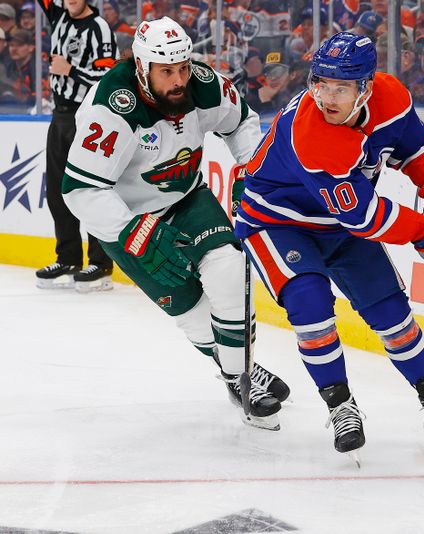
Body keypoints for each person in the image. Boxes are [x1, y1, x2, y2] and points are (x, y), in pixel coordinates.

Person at [235, 31, 424, 460]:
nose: (326, 97)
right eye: (319, 83)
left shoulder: (392, 98)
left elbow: (414, 149)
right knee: (310, 304)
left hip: (338, 223)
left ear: (366, 87)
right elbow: (365, 217)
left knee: (390, 311)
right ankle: (341, 405)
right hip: (276, 221)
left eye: (340, 88)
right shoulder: (311, 133)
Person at [61, 17, 291, 429]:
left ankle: (241, 376)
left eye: (183, 67)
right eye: (166, 71)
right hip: (128, 220)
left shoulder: (203, 84)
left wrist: (250, 170)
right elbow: (81, 190)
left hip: (188, 198)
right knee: (194, 314)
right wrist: (131, 230)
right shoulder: (112, 106)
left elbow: (242, 123)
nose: (178, 79)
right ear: (142, 67)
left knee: (228, 269)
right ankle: (235, 368)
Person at [34, 0, 118, 292]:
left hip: (88, 117)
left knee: (89, 189)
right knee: (57, 191)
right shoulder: (58, 17)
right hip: (59, 115)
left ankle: (101, 262)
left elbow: (108, 78)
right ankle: (68, 257)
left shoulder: (100, 29)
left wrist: (70, 70)